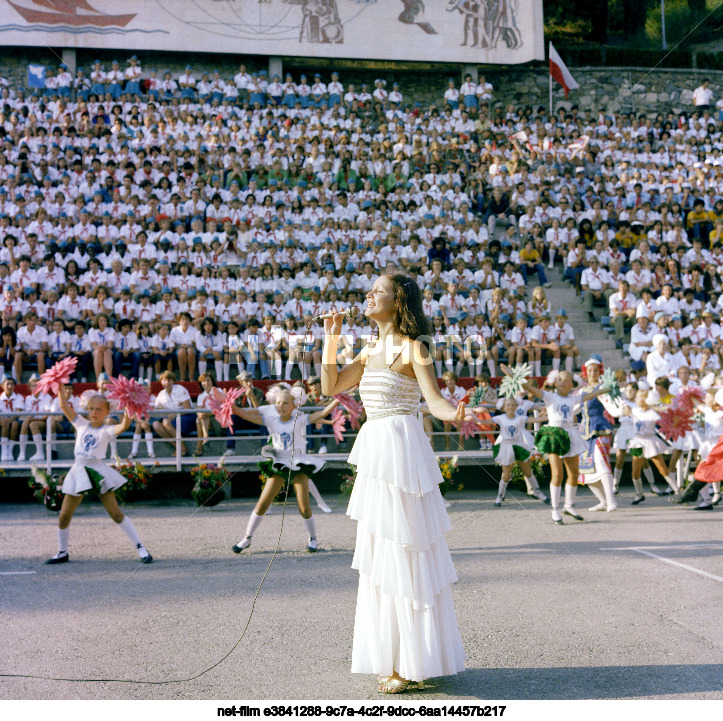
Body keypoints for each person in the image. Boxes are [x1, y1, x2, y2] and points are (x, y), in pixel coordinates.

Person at [322, 272, 468, 693]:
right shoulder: (369, 351)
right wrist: (332, 338)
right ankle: (396, 656)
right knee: (381, 551)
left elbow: (435, 400)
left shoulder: (414, 348)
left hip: (403, 450)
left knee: (406, 549)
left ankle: (411, 661)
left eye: (378, 290)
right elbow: (330, 386)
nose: (369, 295)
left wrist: (456, 413)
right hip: (376, 449)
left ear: (399, 299)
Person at [45, 383, 153, 565]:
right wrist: (60, 383)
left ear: (107, 411)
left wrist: (128, 404)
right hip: (79, 470)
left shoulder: (106, 430)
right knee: (64, 516)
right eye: (91, 408)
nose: (94, 412)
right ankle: (62, 551)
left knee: (116, 514)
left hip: (97, 471)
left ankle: (140, 546)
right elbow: (64, 406)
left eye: (98, 409)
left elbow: (124, 425)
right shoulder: (80, 423)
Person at [229, 388, 337, 554]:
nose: (281, 406)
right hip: (279, 463)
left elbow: (321, 413)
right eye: (278, 402)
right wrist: (228, 404)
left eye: (286, 402)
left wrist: (338, 400)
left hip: (298, 462)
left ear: (294, 405)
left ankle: (312, 538)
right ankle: (247, 538)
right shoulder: (271, 420)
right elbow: (244, 414)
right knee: (263, 503)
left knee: (304, 507)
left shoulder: (299, 419)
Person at [505, 366, 608, 524]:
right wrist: (514, 375)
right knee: (557, 474)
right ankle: (555, 509)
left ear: (571, 385)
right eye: (559, 379)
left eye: (566, 380)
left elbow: (593, 394)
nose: (562, 382)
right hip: (554, 435)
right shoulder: (549, 396)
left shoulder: (574, 398)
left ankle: (569, 505)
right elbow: (529, 387)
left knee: (573, 472)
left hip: (570, 435)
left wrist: (608, 388)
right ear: (555, 382)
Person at [577, 358, 617, 513]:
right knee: (586, 469)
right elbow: (572, 408)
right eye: (589, 371)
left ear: (600, 371)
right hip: (584, 432)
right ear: (585, 373)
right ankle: (603, 501)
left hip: (600, 428)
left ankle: (612, 501)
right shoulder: (581, 391)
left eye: (595, 370)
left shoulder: (603, 388)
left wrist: (623, 410)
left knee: (601, 462)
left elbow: (613, 407)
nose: (592, 373)